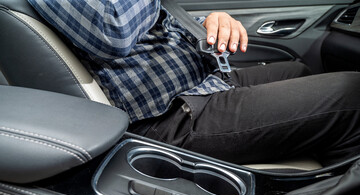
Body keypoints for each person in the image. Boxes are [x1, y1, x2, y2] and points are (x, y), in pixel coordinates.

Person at [28, 0, 360, 166]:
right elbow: (112, 34)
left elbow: (155, 26)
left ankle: (310, 177)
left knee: (299, 71)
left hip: (199, 84)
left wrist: (210, 22)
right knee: (353, 93)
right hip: (167, 118)